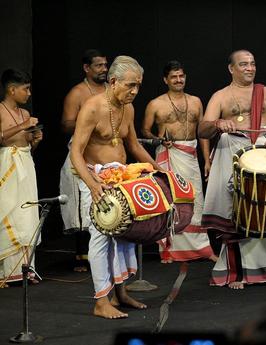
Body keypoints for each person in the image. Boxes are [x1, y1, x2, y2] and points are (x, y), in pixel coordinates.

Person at [70, 55, 163, 319]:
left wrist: (158, 168)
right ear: (113, 81)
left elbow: (132, 145)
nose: (135, 91)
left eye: (138, 86)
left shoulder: (128, 108)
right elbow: (76, 152)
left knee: (123, 236)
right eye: (130, 85)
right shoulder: (92, 107)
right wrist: (92, 184)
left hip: (121, 179)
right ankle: (101, 301)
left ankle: (120, 294)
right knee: (100, 239)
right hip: (96, 179)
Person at [198, 49, 266, 289]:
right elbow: (202, 130)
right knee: (236, 210)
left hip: (264, 152)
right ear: (231, 68)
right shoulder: (220, 96)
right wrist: (218, 123)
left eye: (252, 64)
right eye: (244, 64)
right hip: (231, 149)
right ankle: (237, 272)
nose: (250, 68)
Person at [142, 60, 217, 264]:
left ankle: (202, 249)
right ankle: (168, 250)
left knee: (196, 200)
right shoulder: (155, 104)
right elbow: (145, 130)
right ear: (165, 80)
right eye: (174, 77)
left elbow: (202, 133)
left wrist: (207, 160)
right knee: (170, 200)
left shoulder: (196, 101)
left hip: (191, 155)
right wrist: (157, 139)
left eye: (181, 76)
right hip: (168, 154)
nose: (178, 80)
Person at [59, 49, 108, 272]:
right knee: (81, 204)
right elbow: (65, 125)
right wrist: (89, 119)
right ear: (86, 68)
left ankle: (104, 251)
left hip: (104, 155)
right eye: (98, 66)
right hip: (81, 153)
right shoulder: (78, 93)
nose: (103, 69)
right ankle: (82, 255)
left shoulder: (110, 90)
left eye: (105, 65)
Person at [0, 68, 42, 287]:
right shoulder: (0, 110)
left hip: (25, 164)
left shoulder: (25, 114)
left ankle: (26, 269)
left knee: (27, 214)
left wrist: (34, 139)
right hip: (7, 165)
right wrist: (23, 127)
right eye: (25, 89)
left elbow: (26, 143)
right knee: (9, 212)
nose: (28, 93)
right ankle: (4, 272)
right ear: (11, 89)